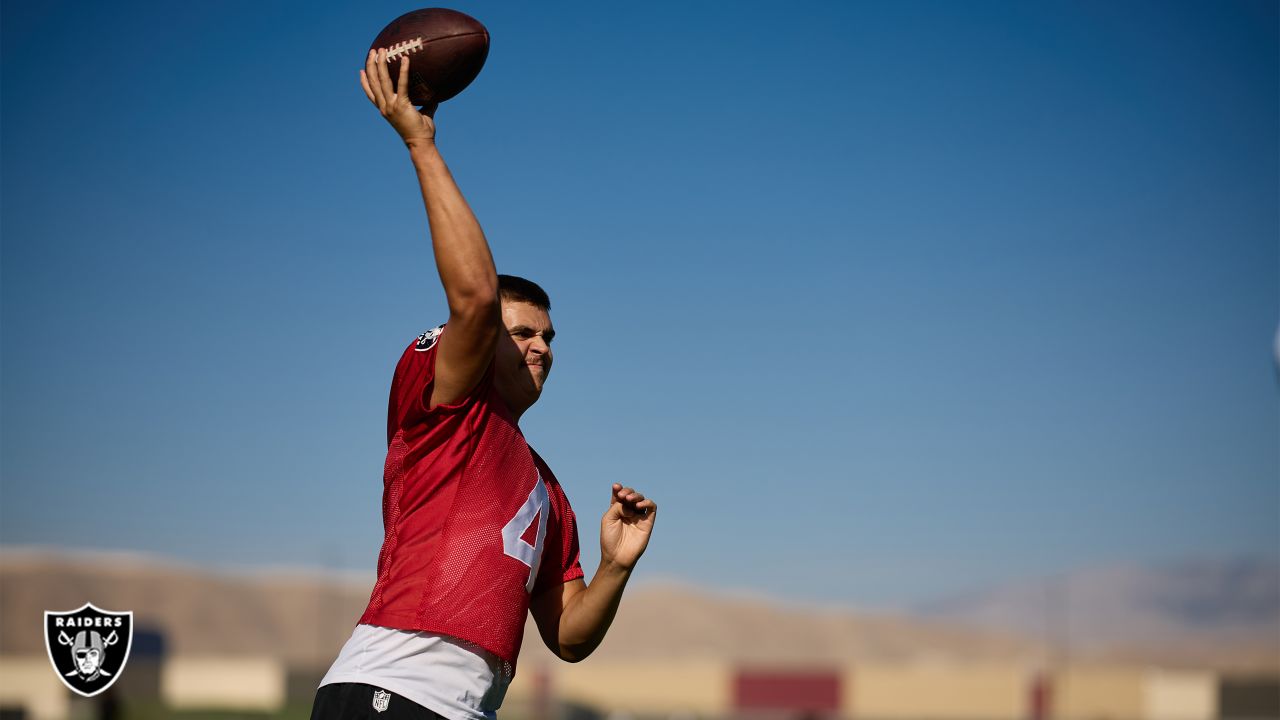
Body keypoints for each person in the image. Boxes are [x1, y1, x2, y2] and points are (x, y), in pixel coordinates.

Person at [310, 50, 658, 720]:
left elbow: (568, 637)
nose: (541, 347)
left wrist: (616, 566)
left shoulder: (548, 488)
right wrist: (420, 142)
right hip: (394, 690)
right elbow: (472, 296)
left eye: (550, 338)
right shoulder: (450, 401)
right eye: (523, 332)